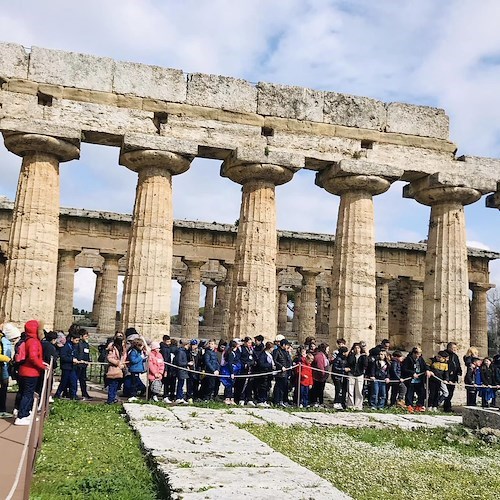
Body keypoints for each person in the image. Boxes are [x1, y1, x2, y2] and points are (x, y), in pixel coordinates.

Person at [15, 320, 49, 425]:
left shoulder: (28, 339)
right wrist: (42, 366)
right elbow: (33, 357)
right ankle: (22, 416)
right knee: (28, 394)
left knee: (26, 393)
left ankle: (25, 412)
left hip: (26, 370)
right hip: (30, 372)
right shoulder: (33, 341)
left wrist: (41, 362)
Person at [54, 331, 82, 400]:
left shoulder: (74, 346)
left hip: (72, 367)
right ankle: (57, 394)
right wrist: (72, 359)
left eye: (78, 340)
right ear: (72, 339)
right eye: (76, 340)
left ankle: (73, 395)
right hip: (66, 367)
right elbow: (63, 357)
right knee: (64, 382)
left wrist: (77, 360)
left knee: (73, 381)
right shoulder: (66, 346)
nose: (77, 342)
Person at [402, 347, 429, 412]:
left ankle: (419, 405)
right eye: (417, 353)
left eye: (419, 353)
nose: (418, 355)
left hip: (419, 380)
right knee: (409, 393)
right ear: (413, 353)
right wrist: (412, 373)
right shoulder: (408, 359)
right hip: (411, 380)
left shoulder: (420, 359)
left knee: (421, 393)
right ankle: (409, 406)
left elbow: (425, 366)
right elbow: (404, 369)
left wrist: (427, 370)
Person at [0, 323, 19, 417]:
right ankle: (1, 409)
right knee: (2, 388)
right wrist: (9, 360)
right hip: (3, 366)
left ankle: (2, 408)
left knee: (4, 388)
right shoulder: (2, 340)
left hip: (4, 366)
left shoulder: (5, 340)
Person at [106, 331, 127, 404]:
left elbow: (124, 357)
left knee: (116, 386)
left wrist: (123, 364)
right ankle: (110, 400)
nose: (120, 338)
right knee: (112, 385)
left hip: (120, 369)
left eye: (121, 336)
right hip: (113, 368)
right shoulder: (113, 347)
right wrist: (118, 363)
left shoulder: (123, 348)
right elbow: (109, 358)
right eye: (118, 336)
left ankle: (113, 398)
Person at [346, 343, 368, 410]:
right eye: (355, 348)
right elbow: (350, 362)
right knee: (350, 390)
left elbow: (365, 365)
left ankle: (358, 405)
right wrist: (352, 354)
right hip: (351, 373)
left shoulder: (363, 356)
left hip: (360, 374)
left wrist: (364, 356)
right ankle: (350, 405)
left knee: (359, 390)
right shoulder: (351, 355)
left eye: (358, 348)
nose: (357, 349)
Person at [272, 339, 292, 407]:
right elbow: (275, 360)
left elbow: (288, 360)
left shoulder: (286, 352)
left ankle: (283, 400)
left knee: (284, 387)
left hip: (286, 372)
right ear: (283, 345)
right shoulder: (276, 351)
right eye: (287, 345)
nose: (287, 347)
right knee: (278, 387)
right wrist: (281, 367)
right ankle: (277, 401)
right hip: (280, 372)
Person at [444, 342, 462, 412]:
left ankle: (448, 406)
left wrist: (459, 374)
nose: (455, 349)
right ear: (449, 348)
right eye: (453, 348)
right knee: (446, 393)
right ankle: (446, 407)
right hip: (447, 377)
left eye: (455, 348)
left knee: (451, 393)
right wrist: (448, 378)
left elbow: (458, 365)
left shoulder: (455, 356)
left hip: (454, 377)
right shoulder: (445, 354)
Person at [255, 341, 275, 407]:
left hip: (269, 374)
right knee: (262, 387)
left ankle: (264, 400)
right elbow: (261, 364)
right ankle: (260, 400)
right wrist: (269, 365)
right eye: (272, 348)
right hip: (263, 373)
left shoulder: (270, 355)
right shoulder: (263, 355)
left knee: (267, 387)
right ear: (269, 348)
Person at [310, 343, 330, 407]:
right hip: (318, 376)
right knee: (317, 390)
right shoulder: (319, 356)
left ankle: (320, 402)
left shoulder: (323, 355)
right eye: (327, 349)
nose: (328, 350)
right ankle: (316, 402)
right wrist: (323, 373)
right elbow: (320, 366)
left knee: (321, 390)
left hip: (322, 377)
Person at [76, 329, 92, 399]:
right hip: (79, 364)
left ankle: (84, 393)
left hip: (84, 364)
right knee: (75, 379)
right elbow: (79, 353)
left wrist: (88, 360)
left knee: (83, 380)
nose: (87, 337)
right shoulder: (78, 343)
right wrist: (79, 360)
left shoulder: (86, 344)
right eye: (85, 336)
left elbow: (87, 353)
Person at [332, 345, 349, 410]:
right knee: (338, 390)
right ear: (343, 352)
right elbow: (335, 368)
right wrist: (343, 369)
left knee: (343, 390)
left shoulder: (345, 359)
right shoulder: (338, 359)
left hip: (343, 376)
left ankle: (342, 402)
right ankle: (337, 402)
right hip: (337, 377)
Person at [174, 339, 190, 404]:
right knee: (180, 384)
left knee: (181, 384)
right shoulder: (180, 352)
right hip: (181, 370)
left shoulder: (183, 351)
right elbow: (179, 362)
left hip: (183, 370)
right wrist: (187, 363)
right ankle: (179, 397)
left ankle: (181, 397)